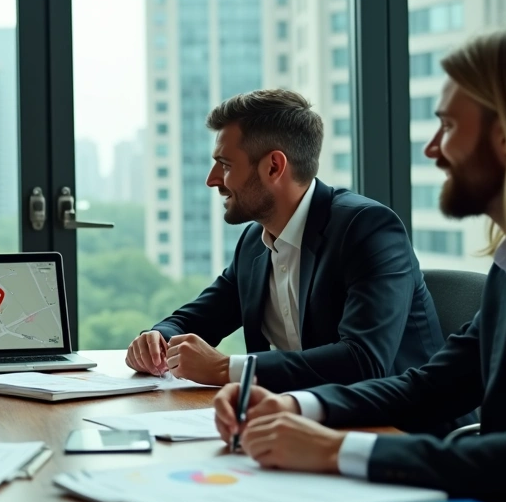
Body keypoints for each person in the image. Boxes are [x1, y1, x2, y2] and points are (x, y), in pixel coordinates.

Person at [213, 24, 506, 502]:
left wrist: (335, 451)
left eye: (449, 127)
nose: (432, 148)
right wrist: (298, 407)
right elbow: (430, 385)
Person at [127, 89, 445, 396]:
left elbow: (364, 361)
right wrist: (157, 339)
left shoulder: (367, 228)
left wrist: (226, 368)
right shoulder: (255, 243)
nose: (212, 179)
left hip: (405, 432)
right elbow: (194, 319)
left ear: (274, 167)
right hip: (311, 422)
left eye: (224, 165)